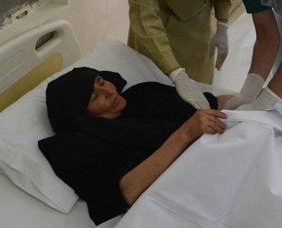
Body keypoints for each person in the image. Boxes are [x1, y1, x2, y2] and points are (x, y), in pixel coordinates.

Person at [38, 67, 230, 224]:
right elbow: (125, 193)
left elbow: (212, 104)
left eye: (102, 82)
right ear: (81, 116)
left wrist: (252, 98)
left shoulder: (142, 93)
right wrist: (185, 134)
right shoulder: (80, 146)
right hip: (187, 198)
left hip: (223, 155)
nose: (109, 92)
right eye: (94, 98)